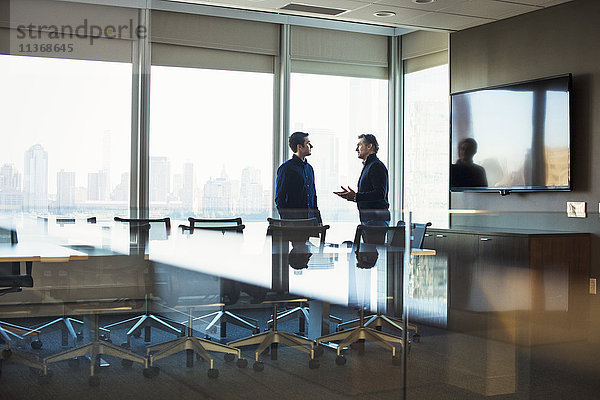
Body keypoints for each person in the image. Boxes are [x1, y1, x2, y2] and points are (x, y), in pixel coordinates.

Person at [334, 134, 390, 243]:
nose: (356, 149)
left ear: (369, 146)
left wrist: (356, 196)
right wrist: (354, 197)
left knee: (371, 255)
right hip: (369, 219)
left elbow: (379, 194)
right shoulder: (369, 166)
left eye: (359, 145)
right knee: (369, 255)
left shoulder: (376, 166)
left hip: (375, 220)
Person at [275, 131, 320, 221]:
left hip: (311, 223)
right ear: (299, 147)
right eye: (308, 143)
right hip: (293, 225)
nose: (311, 146)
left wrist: (318, 220)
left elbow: (313, 197)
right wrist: (287, 221)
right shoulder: (286, 169)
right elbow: (280, 199)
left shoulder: (310, 169)